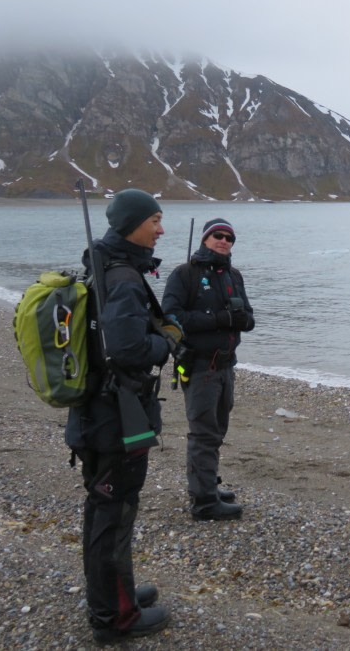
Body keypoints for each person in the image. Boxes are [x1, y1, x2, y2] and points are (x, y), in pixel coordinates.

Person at [65, 189, 179, 643]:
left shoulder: (100, 268)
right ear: (131, 224)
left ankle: (115, 594)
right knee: (114, 510)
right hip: (116, 419)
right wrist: (168, 340)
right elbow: (127, 350)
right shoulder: (125, 277)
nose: (161, 228)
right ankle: (115, 617)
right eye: (154, 220)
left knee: (102, 508)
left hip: (94, 413)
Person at [161, 218, 255, 521]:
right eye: (218, 235)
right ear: (205, 239)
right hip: (200, 366)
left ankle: (207, 484)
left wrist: (243, 320)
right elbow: (171, 318)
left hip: (227, 366)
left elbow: (249, 318)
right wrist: (219, 319)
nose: (224, 241)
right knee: (202, 433)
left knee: (217, 430)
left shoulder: (233, 276)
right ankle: (203, 502)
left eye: (229, 237)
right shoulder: (184, 275)